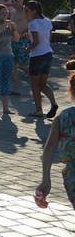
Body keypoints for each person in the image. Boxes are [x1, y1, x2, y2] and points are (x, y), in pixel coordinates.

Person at [36, 67, 75, 210]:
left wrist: (46, 178)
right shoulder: (63, 118)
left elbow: (50, 147)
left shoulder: (64, 117)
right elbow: (50, 147)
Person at [24, 0, 58, 118]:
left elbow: (36, 42)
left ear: (34, 11)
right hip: (48, 53)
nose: (26, 14)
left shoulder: (33, 24)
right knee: (43, 84)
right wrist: (31, 38)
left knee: (35, 85)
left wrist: (27, 49)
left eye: (27, 11)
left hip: (37, 56)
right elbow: (47, 38)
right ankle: (53, 103)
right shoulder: (47, 21)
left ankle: (38, 110)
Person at [9, 0, 31, 94]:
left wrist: (22, 34)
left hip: (24, 41)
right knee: (12, 65)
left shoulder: (26, 12)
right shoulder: (12, 13)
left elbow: (32, 26)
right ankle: (16, 89)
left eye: (16, 1)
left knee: (22, 65)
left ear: (22, 0)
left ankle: (32, 74)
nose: (14, 3)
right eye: (13, 1)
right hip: (13, 41)